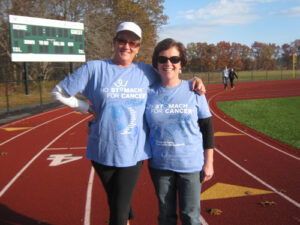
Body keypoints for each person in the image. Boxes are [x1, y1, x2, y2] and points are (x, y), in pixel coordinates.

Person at [51, 22, 205, 225]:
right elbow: (58, 93)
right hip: (101, 150)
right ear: (114, 42)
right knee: (116, 201)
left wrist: (194, 80)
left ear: (138, 47)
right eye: (122, 41)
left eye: (133, 43)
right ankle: (125, 213)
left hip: (133, 151)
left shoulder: (144, 71)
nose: (127, 46)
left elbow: (170, 75)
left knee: (118, 211)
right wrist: (86, 108)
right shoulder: (94, 69)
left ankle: (122, 216)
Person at [146, 38, 214, 225]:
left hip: (190, 165)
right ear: (156, 63)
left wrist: (209, 163)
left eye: (174, 59)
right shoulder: (148, 93)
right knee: (166, 217)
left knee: (190, 217)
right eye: (163, 59)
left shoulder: (194, 90)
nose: (168, 63)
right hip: (160, 166)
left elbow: (207, 128)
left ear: (181, 63)